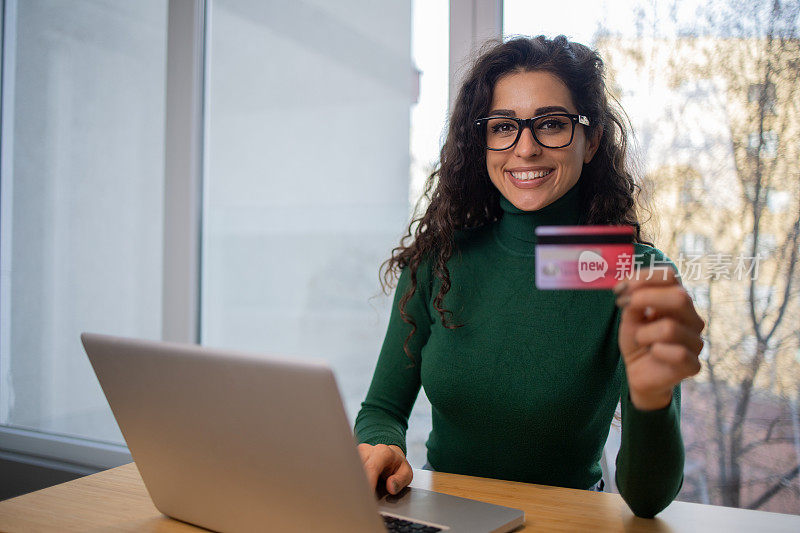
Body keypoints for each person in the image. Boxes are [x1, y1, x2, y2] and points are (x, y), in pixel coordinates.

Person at [354, 35, 704, 518]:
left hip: (567, 525)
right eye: (503, 127)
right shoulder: (440, 261)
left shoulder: (631, 269)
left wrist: (651, 398)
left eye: (552, 124)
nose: (526, 148)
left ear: (592, 138)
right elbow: (382, 410)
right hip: (442, 520)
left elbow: (648, 499)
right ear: (483, 141)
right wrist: (380, 447)